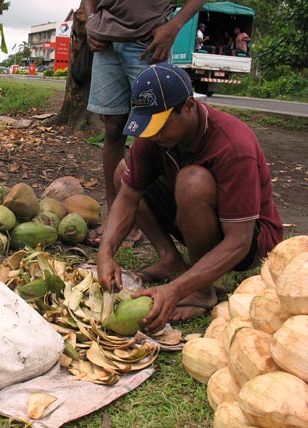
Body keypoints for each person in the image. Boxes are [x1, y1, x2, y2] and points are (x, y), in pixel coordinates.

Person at [96, 63, 283, 334]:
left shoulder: (233, 145)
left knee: (191, 182)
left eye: (160, 125)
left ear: (188, 106)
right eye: (148, 126)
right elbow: (127, 198)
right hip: (196, 213)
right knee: (124, 173)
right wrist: (105, 252)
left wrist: (178, 289)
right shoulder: (154, 136)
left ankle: (203, 290)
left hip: (249, 241)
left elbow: (239, 242)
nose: (153, 135)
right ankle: (170, 259)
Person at [83, 0, 207, 246]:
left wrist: (174, 26)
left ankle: (174, 221)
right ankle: (117, 221)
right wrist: (90, 21)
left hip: (148, 41)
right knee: (113, 129)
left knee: (160, 127)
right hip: (105, 43)